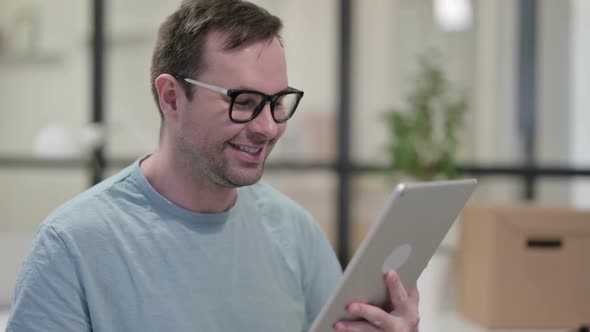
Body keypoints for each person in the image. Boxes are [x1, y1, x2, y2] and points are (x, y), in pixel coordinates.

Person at [6, 0, 420, 331]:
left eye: (278, 103)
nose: (268, 127)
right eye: (242, 102)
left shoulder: (295, 233)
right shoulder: (72, 247)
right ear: (171, 97)